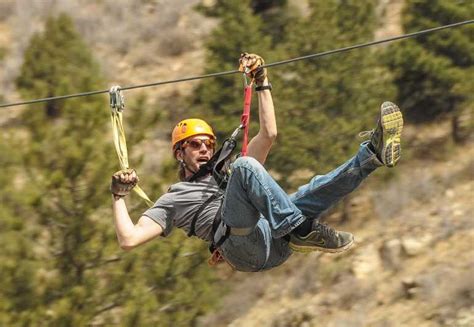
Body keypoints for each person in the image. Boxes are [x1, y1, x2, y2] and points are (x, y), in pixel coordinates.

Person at [111, 53, 404, 272]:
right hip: (242, 249)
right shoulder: (173, 199)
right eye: (195, 144)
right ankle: (301, 230)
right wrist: (119, 196)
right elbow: (129, 239)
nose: (204, 149)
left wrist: (263, 82)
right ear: (179, 153)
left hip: (274, 242)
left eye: (209, 144)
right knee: (245, 165)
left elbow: (270, 133)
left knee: (310, 189)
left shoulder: (231, 178)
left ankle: (372, 155)